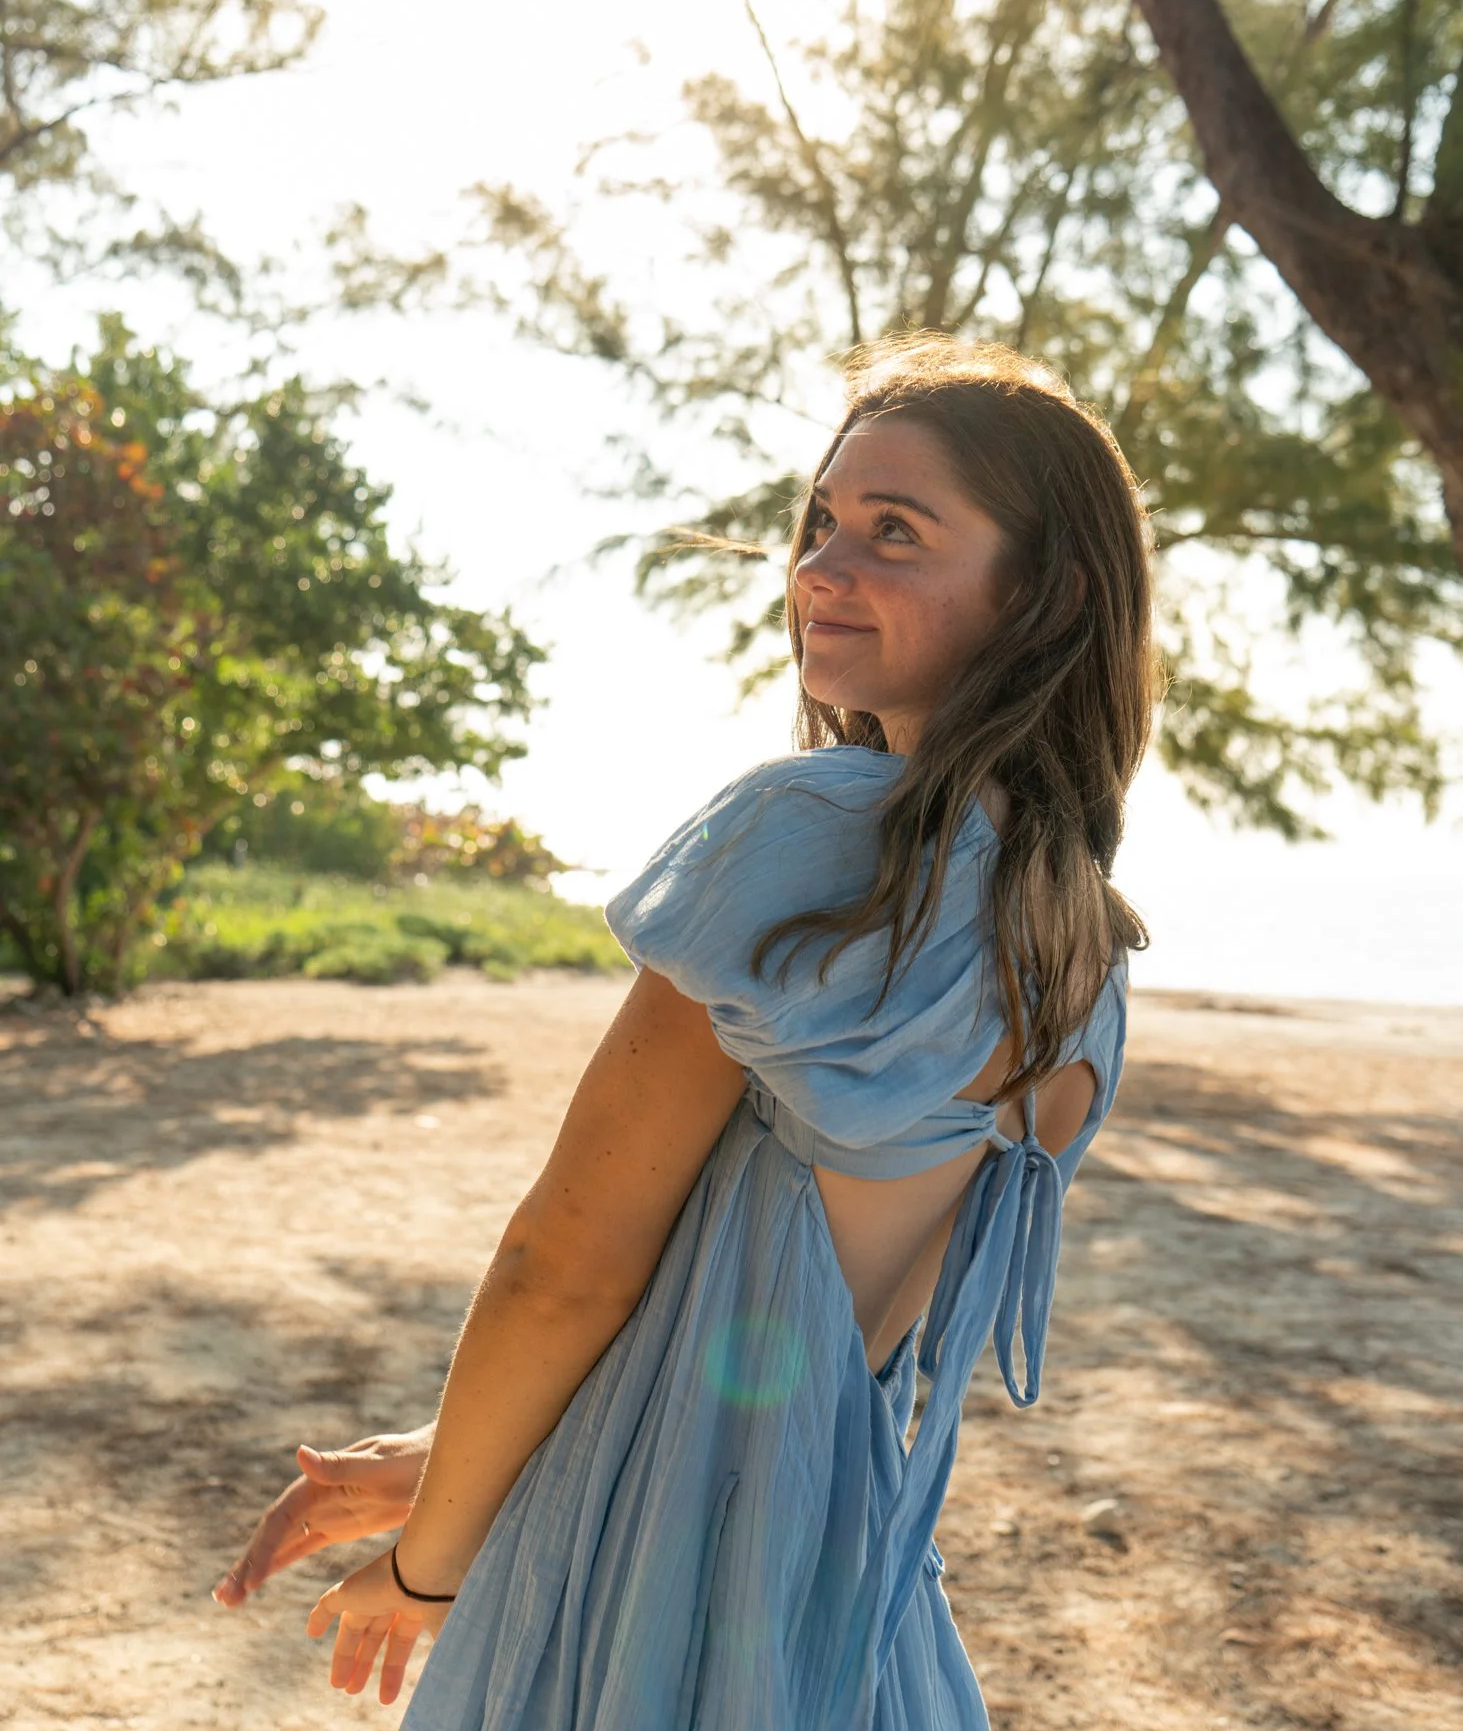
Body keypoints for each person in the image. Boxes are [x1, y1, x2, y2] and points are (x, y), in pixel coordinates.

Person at [213, 334, 1154, 1727]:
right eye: (820, 523)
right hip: (834, 1600)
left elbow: (566, 1265)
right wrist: (452, 1449)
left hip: (629, 1565)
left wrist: (432, 1568)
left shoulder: (808, 839)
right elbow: (806, 1320)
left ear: (1045, 592)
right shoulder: (1081, 946)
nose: (824, 568)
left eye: (895, 532)